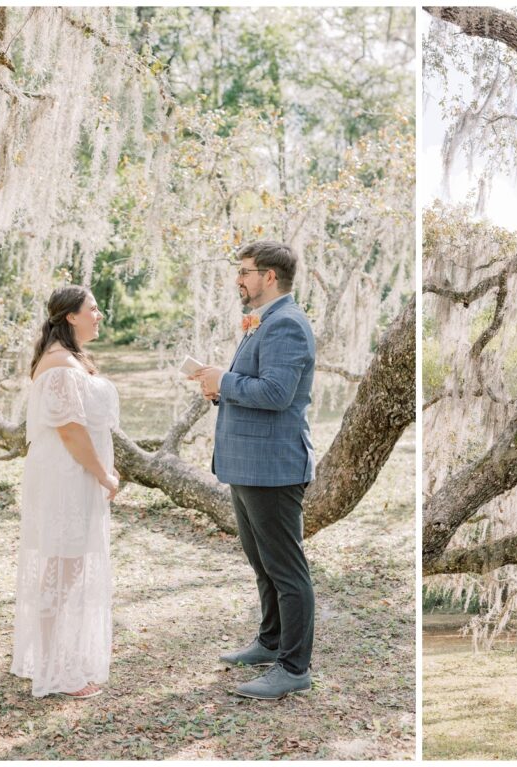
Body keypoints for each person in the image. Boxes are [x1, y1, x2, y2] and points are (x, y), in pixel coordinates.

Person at [192, 240, 317, 700]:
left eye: (244, 271)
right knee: (262, 563)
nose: (238, 279)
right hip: (247, 465)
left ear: (269, 276)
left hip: (274, 468)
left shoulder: (287, 325)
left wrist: (224, 380)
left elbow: (277, 393)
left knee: (286, 569)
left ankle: (294, 666)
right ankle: (269, 642)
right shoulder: (262, 323)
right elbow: (256, 388)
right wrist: (221, 390)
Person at [11, 286, 120, 699]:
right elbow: (71, 431)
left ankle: (51, 658)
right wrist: (104, 476)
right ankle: (56, 670)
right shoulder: (59, 365)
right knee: (63, 570)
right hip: (67, 477)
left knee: (65, 569)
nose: (99, 315)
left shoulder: (68, 358)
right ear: (71, 316)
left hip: (75, 474)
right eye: (93, 308)